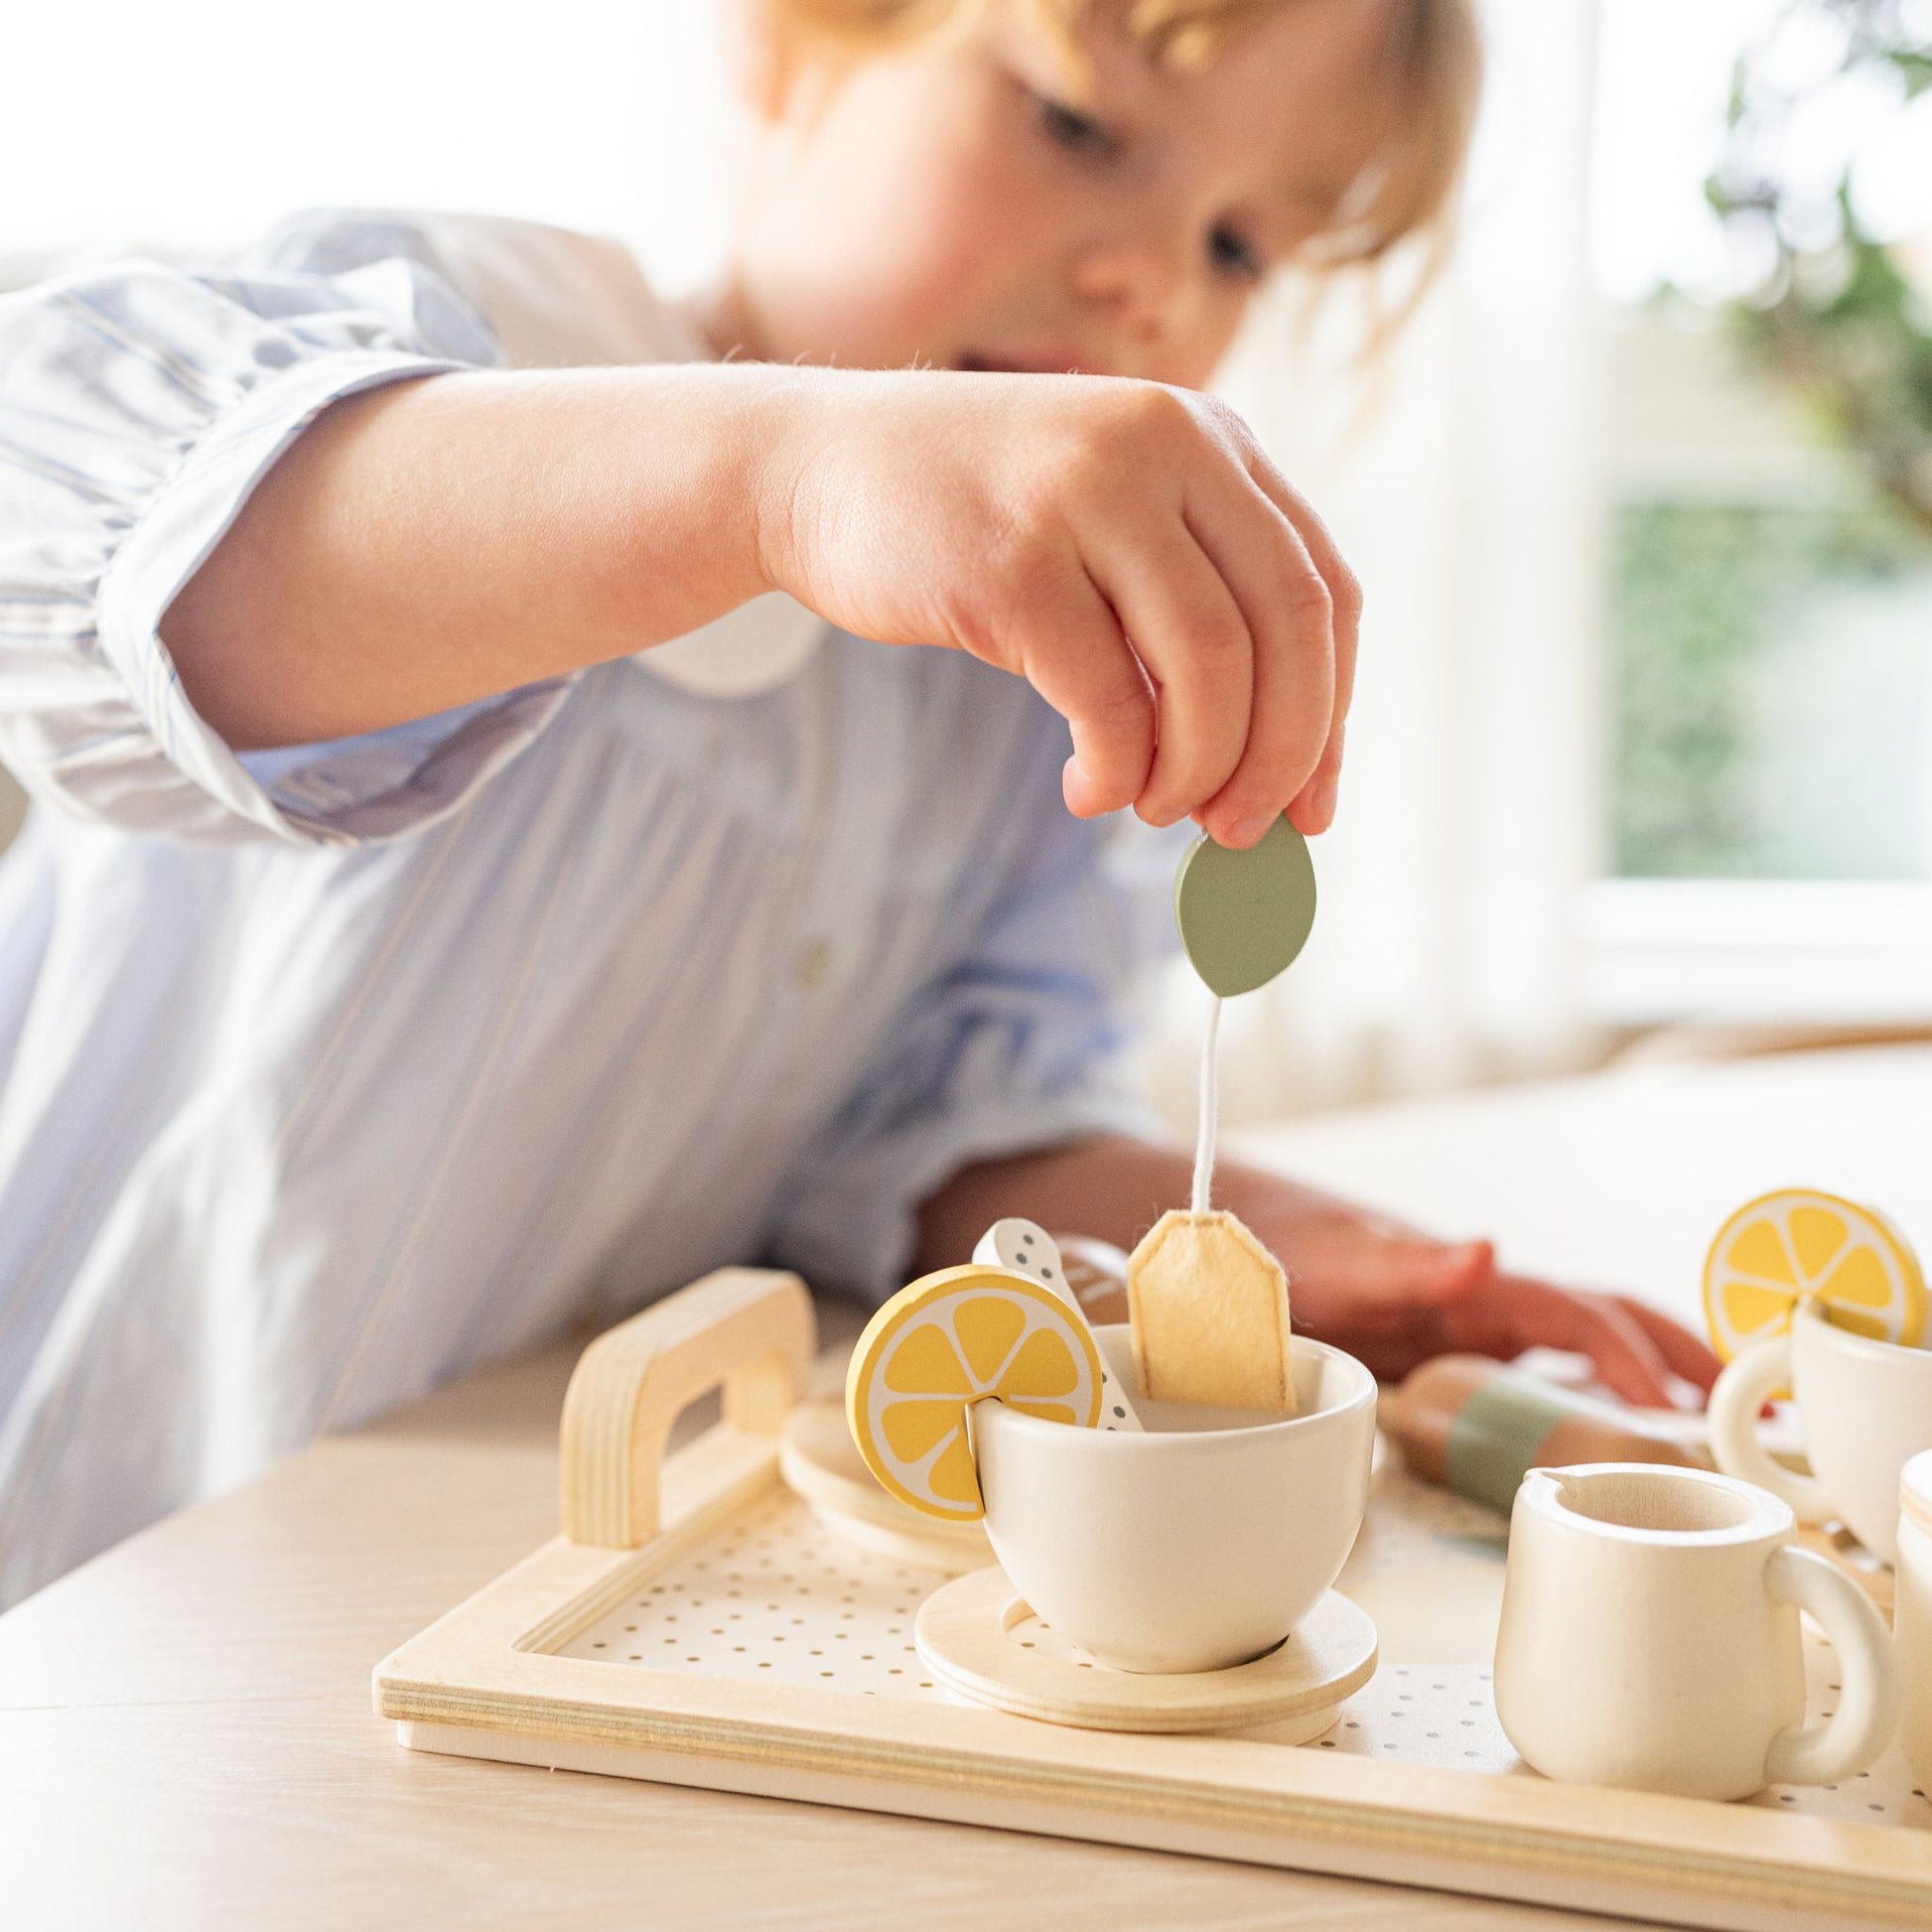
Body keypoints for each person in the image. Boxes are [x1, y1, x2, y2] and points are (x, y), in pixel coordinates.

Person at [0, 0, 1716, 1605]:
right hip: (87, 1551)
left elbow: (916, 1137)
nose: (1148, 285)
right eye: (1075, 123)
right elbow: (93, 547)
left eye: (1237, 244)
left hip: (502, 1582)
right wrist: (784, 471)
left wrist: (1238, 1238)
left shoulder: (996, 721)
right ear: (797, 48)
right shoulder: (476, 353)